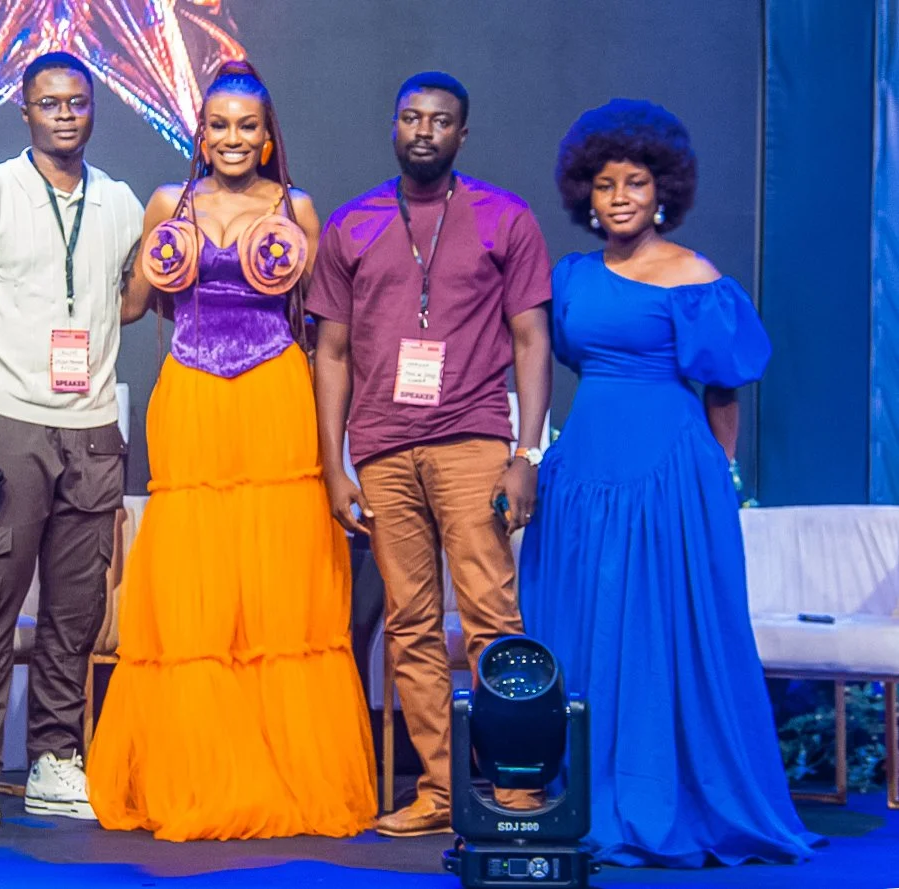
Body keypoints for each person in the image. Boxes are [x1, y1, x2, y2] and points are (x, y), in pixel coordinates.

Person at [517, 99, 821, 867]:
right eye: (605, 183)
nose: (619, 195)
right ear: (585, 192)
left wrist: (716, 477)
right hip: (585, 469)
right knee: (585, 623)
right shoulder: (571, 277)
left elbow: (722, 391)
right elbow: (545, 366)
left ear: (663, 192)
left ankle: (667, 793)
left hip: (666, 474)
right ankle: (588, 788)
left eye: (636, 182)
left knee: (662, 627)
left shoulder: (695, 278)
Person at [85, 60, 377, 842]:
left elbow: (324, 332)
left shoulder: (297, 208)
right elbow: (133, 303)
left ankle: (282, 770)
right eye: (218, 125)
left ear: (268, 134)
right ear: (200, 133)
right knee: (197, 588)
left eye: (248, 125)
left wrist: (338, 443)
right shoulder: (164, 204)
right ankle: (200, 770)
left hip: (274, 395)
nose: (233, 138)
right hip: (190, 396)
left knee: (276, 586)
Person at [309, 72, 552, 838]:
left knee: (490, 616)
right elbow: (332, 353)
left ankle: (512, 784)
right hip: (381, 451)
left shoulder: (504, 218)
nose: (423, 131)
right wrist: (333, 462)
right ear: (392, 126)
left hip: (475, 442)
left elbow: (530, 339)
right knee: (408, 625)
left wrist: (527, 453)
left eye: (439, 121)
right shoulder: (351, 224)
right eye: (410, 117)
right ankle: (444, 791)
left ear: (461, 134)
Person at [0, 51, 144, 829]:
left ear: (92, 110)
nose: (64, 114)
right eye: (49, 103)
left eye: (77, 103)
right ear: (24, 111)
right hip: (3, 415)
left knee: (76, 605)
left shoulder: (119, 203)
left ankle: (55, 758)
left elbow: (124, 307)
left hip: (90, 426)